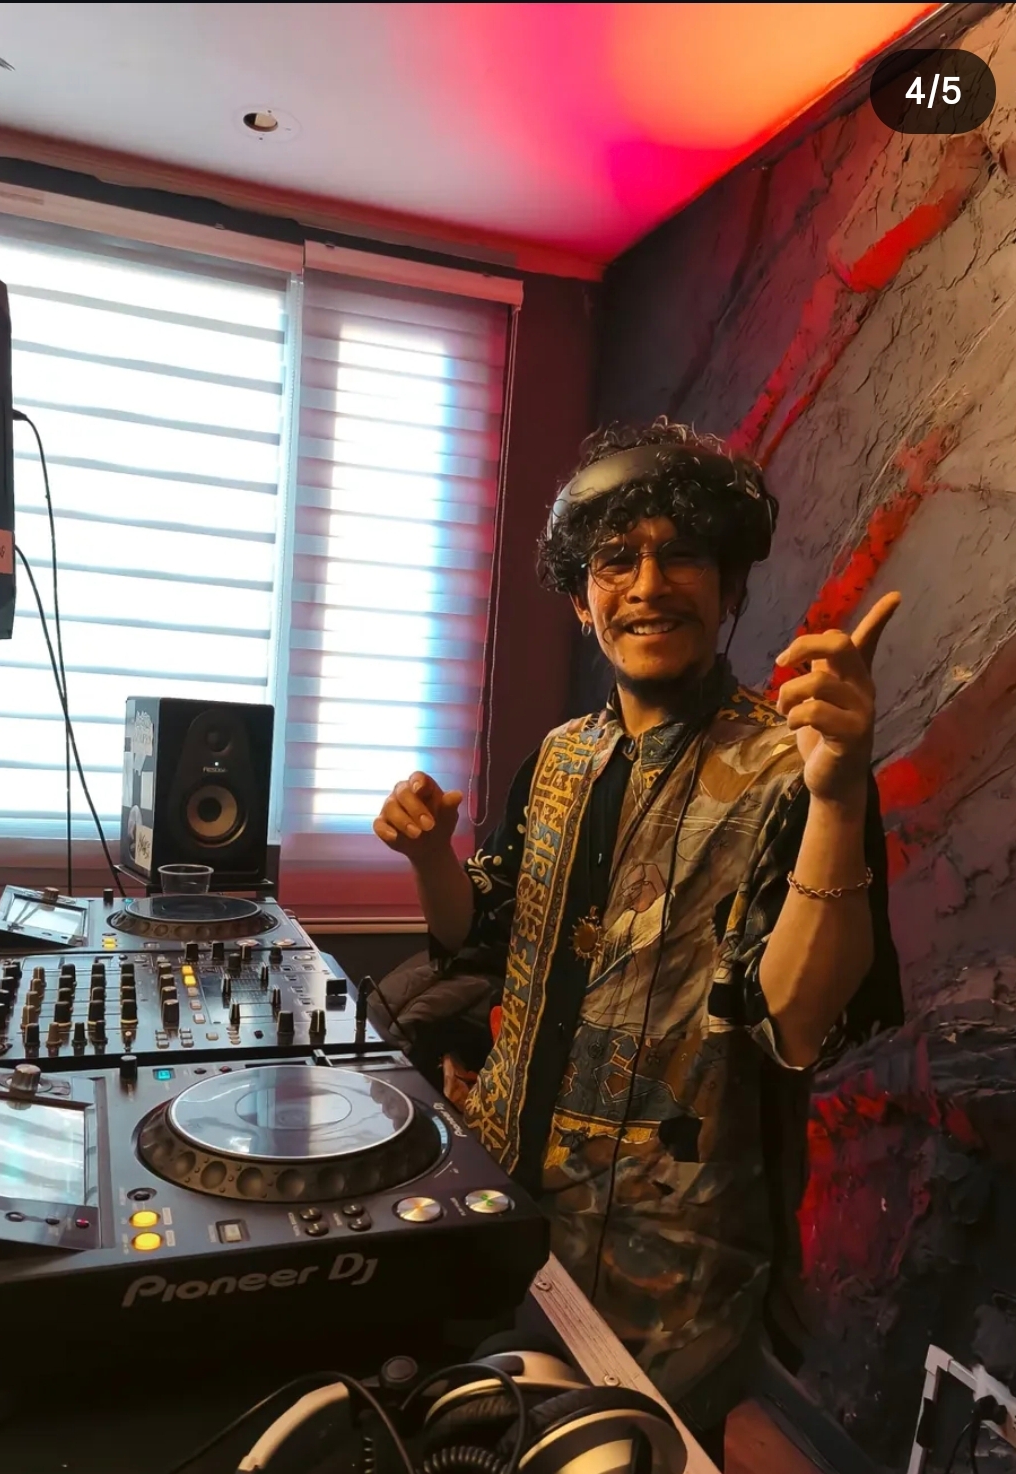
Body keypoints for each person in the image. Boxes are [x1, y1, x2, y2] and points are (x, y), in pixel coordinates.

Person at [372, 418, 903, 1463]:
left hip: (669, 1264)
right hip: (511, 1201)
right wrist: (432, 856)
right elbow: (481, 936)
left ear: (729, 587)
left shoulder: (790, 768)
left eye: (682, 554)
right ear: (583, 600)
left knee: (638, 1452)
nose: (649, 584)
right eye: (618, 559)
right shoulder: (561, 756)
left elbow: (797, 1022)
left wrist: (840, 794)